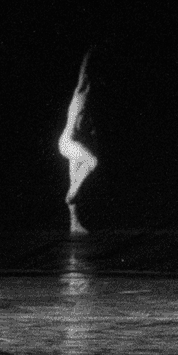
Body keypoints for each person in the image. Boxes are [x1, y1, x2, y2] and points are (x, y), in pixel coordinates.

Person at [58, 48, 98, 235]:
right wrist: (88, 55)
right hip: (67, 142)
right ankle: (72, 193)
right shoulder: (79, 95)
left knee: (76, 177)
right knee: (92, 162)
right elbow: (84, 76)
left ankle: (74, 225)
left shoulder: (89, 109)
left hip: (73, 144)